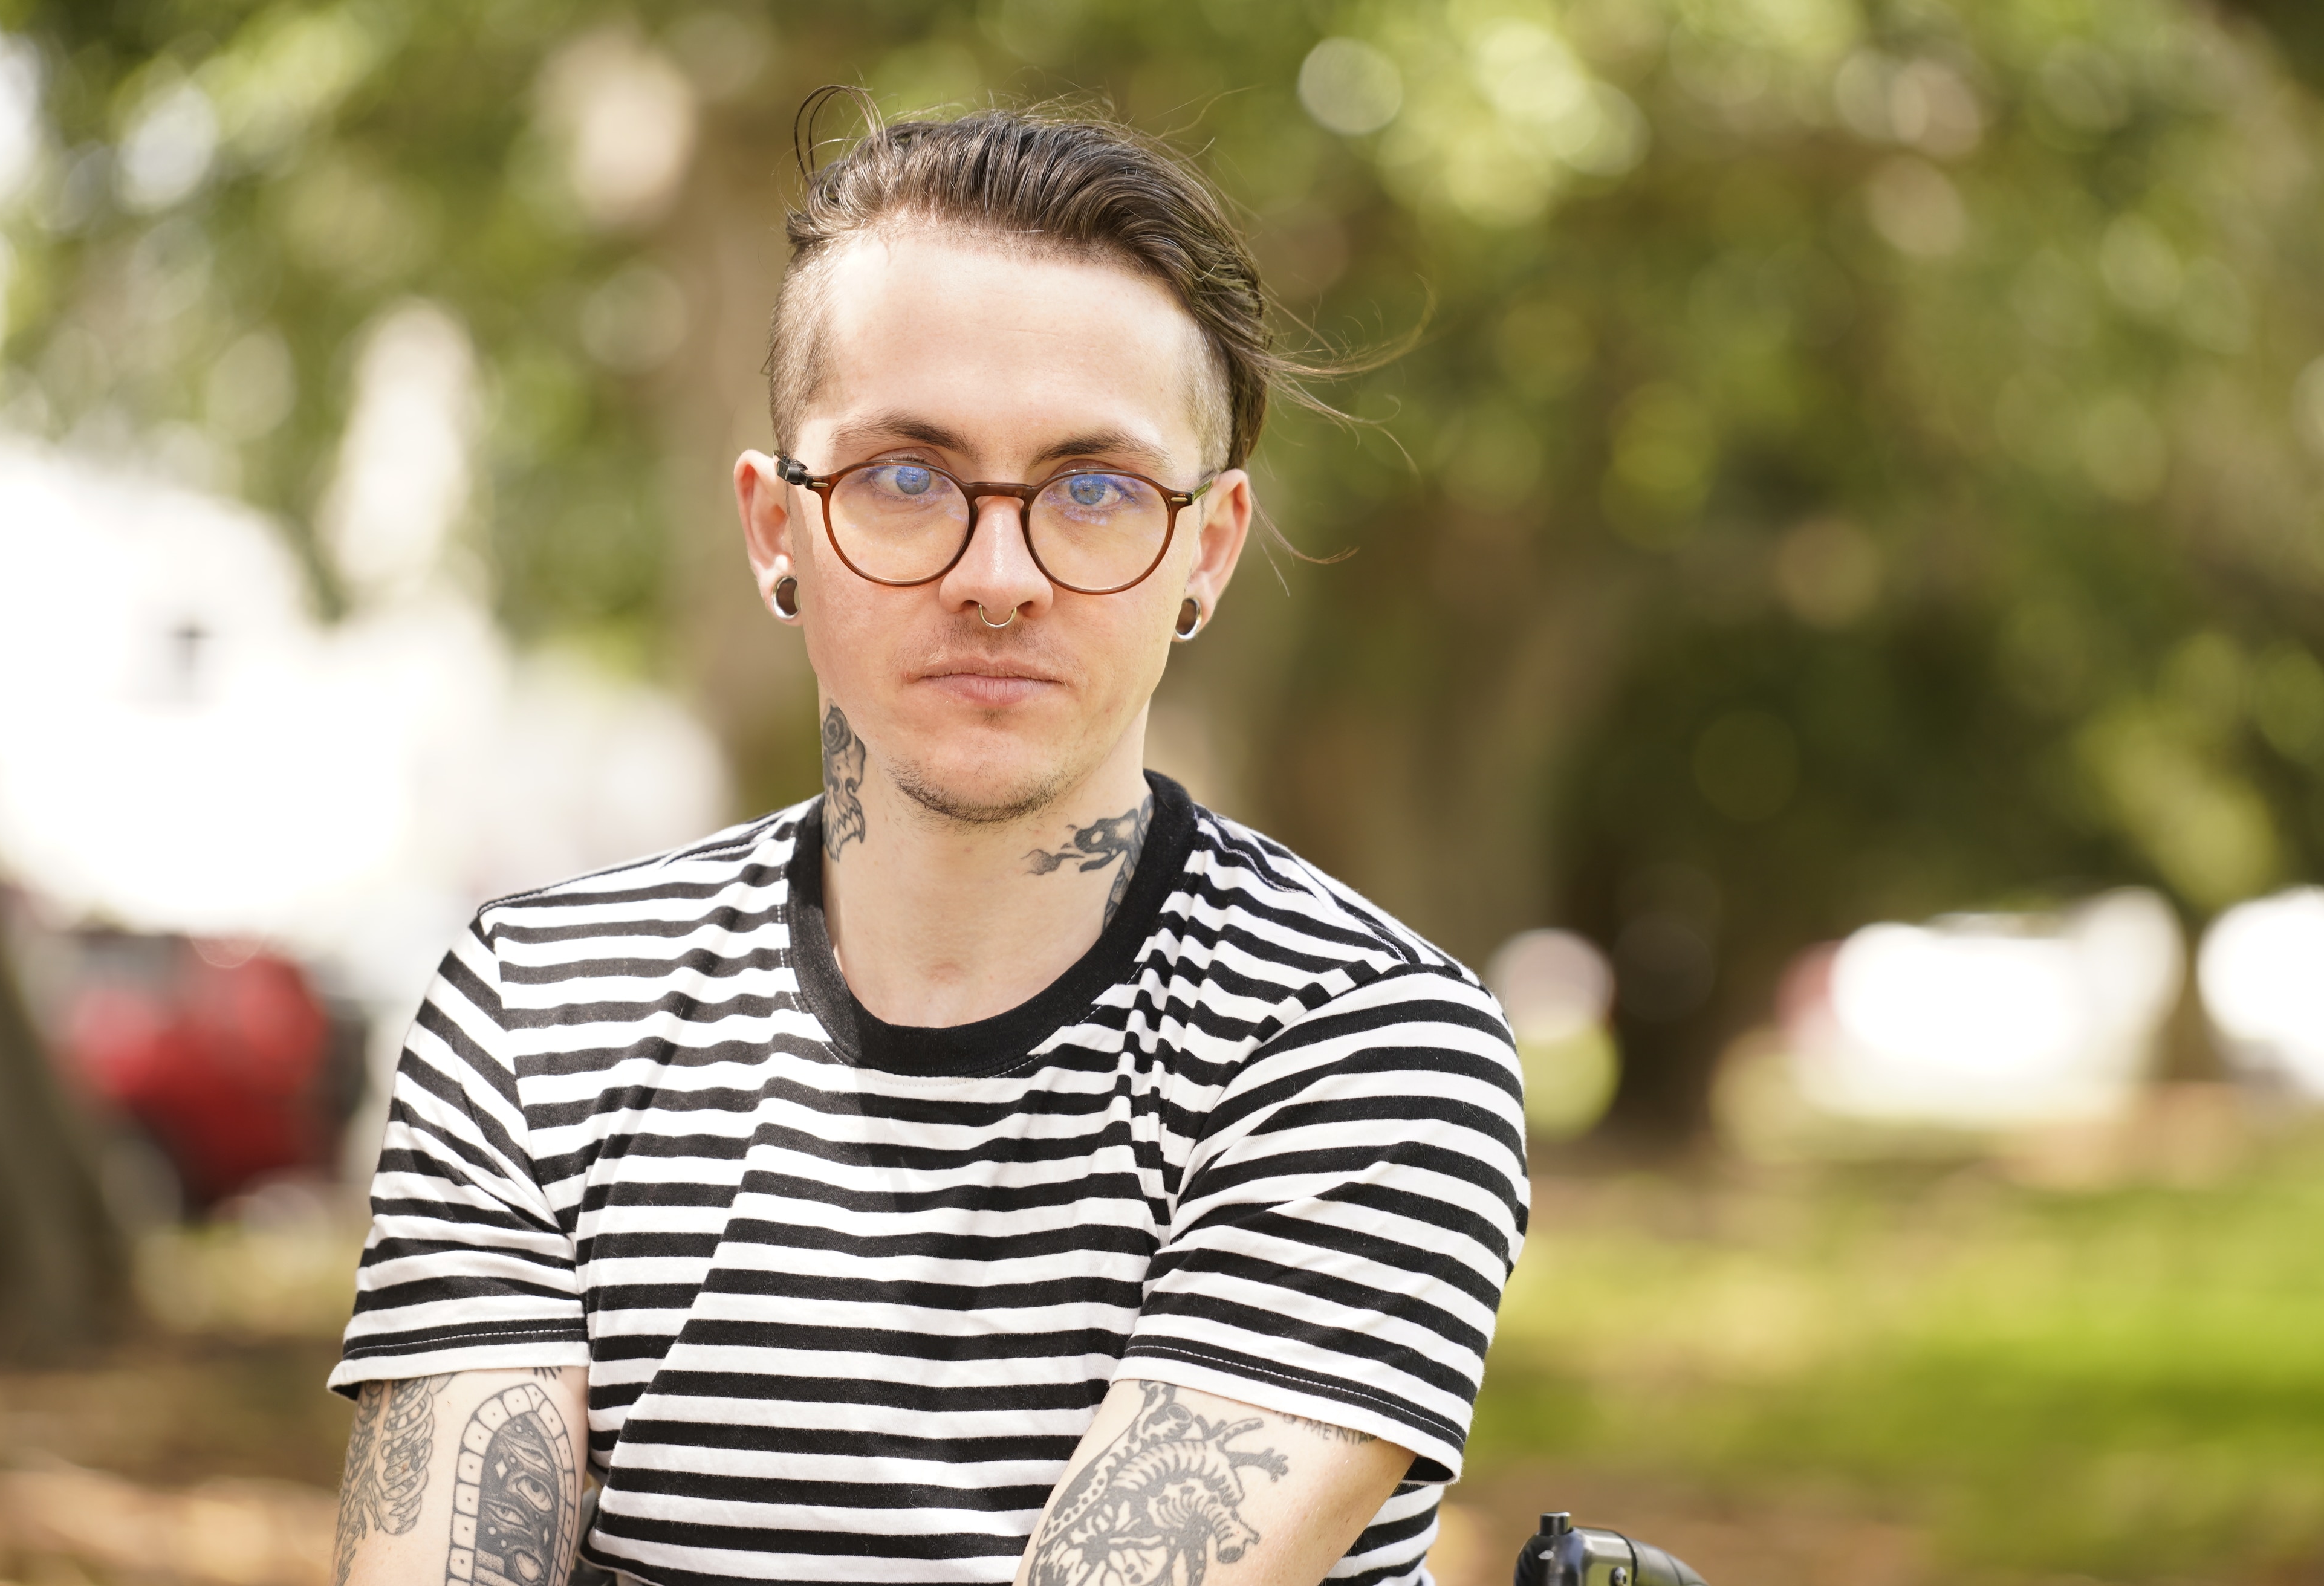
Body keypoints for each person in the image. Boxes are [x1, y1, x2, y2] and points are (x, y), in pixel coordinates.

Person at [328, 96, 1529, 1586]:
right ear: (776, 526)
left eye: (1097, 490)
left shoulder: (1361, 1048)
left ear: (1206, 551)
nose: (1000, 574)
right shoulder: (538, 1010)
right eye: (907, 477)